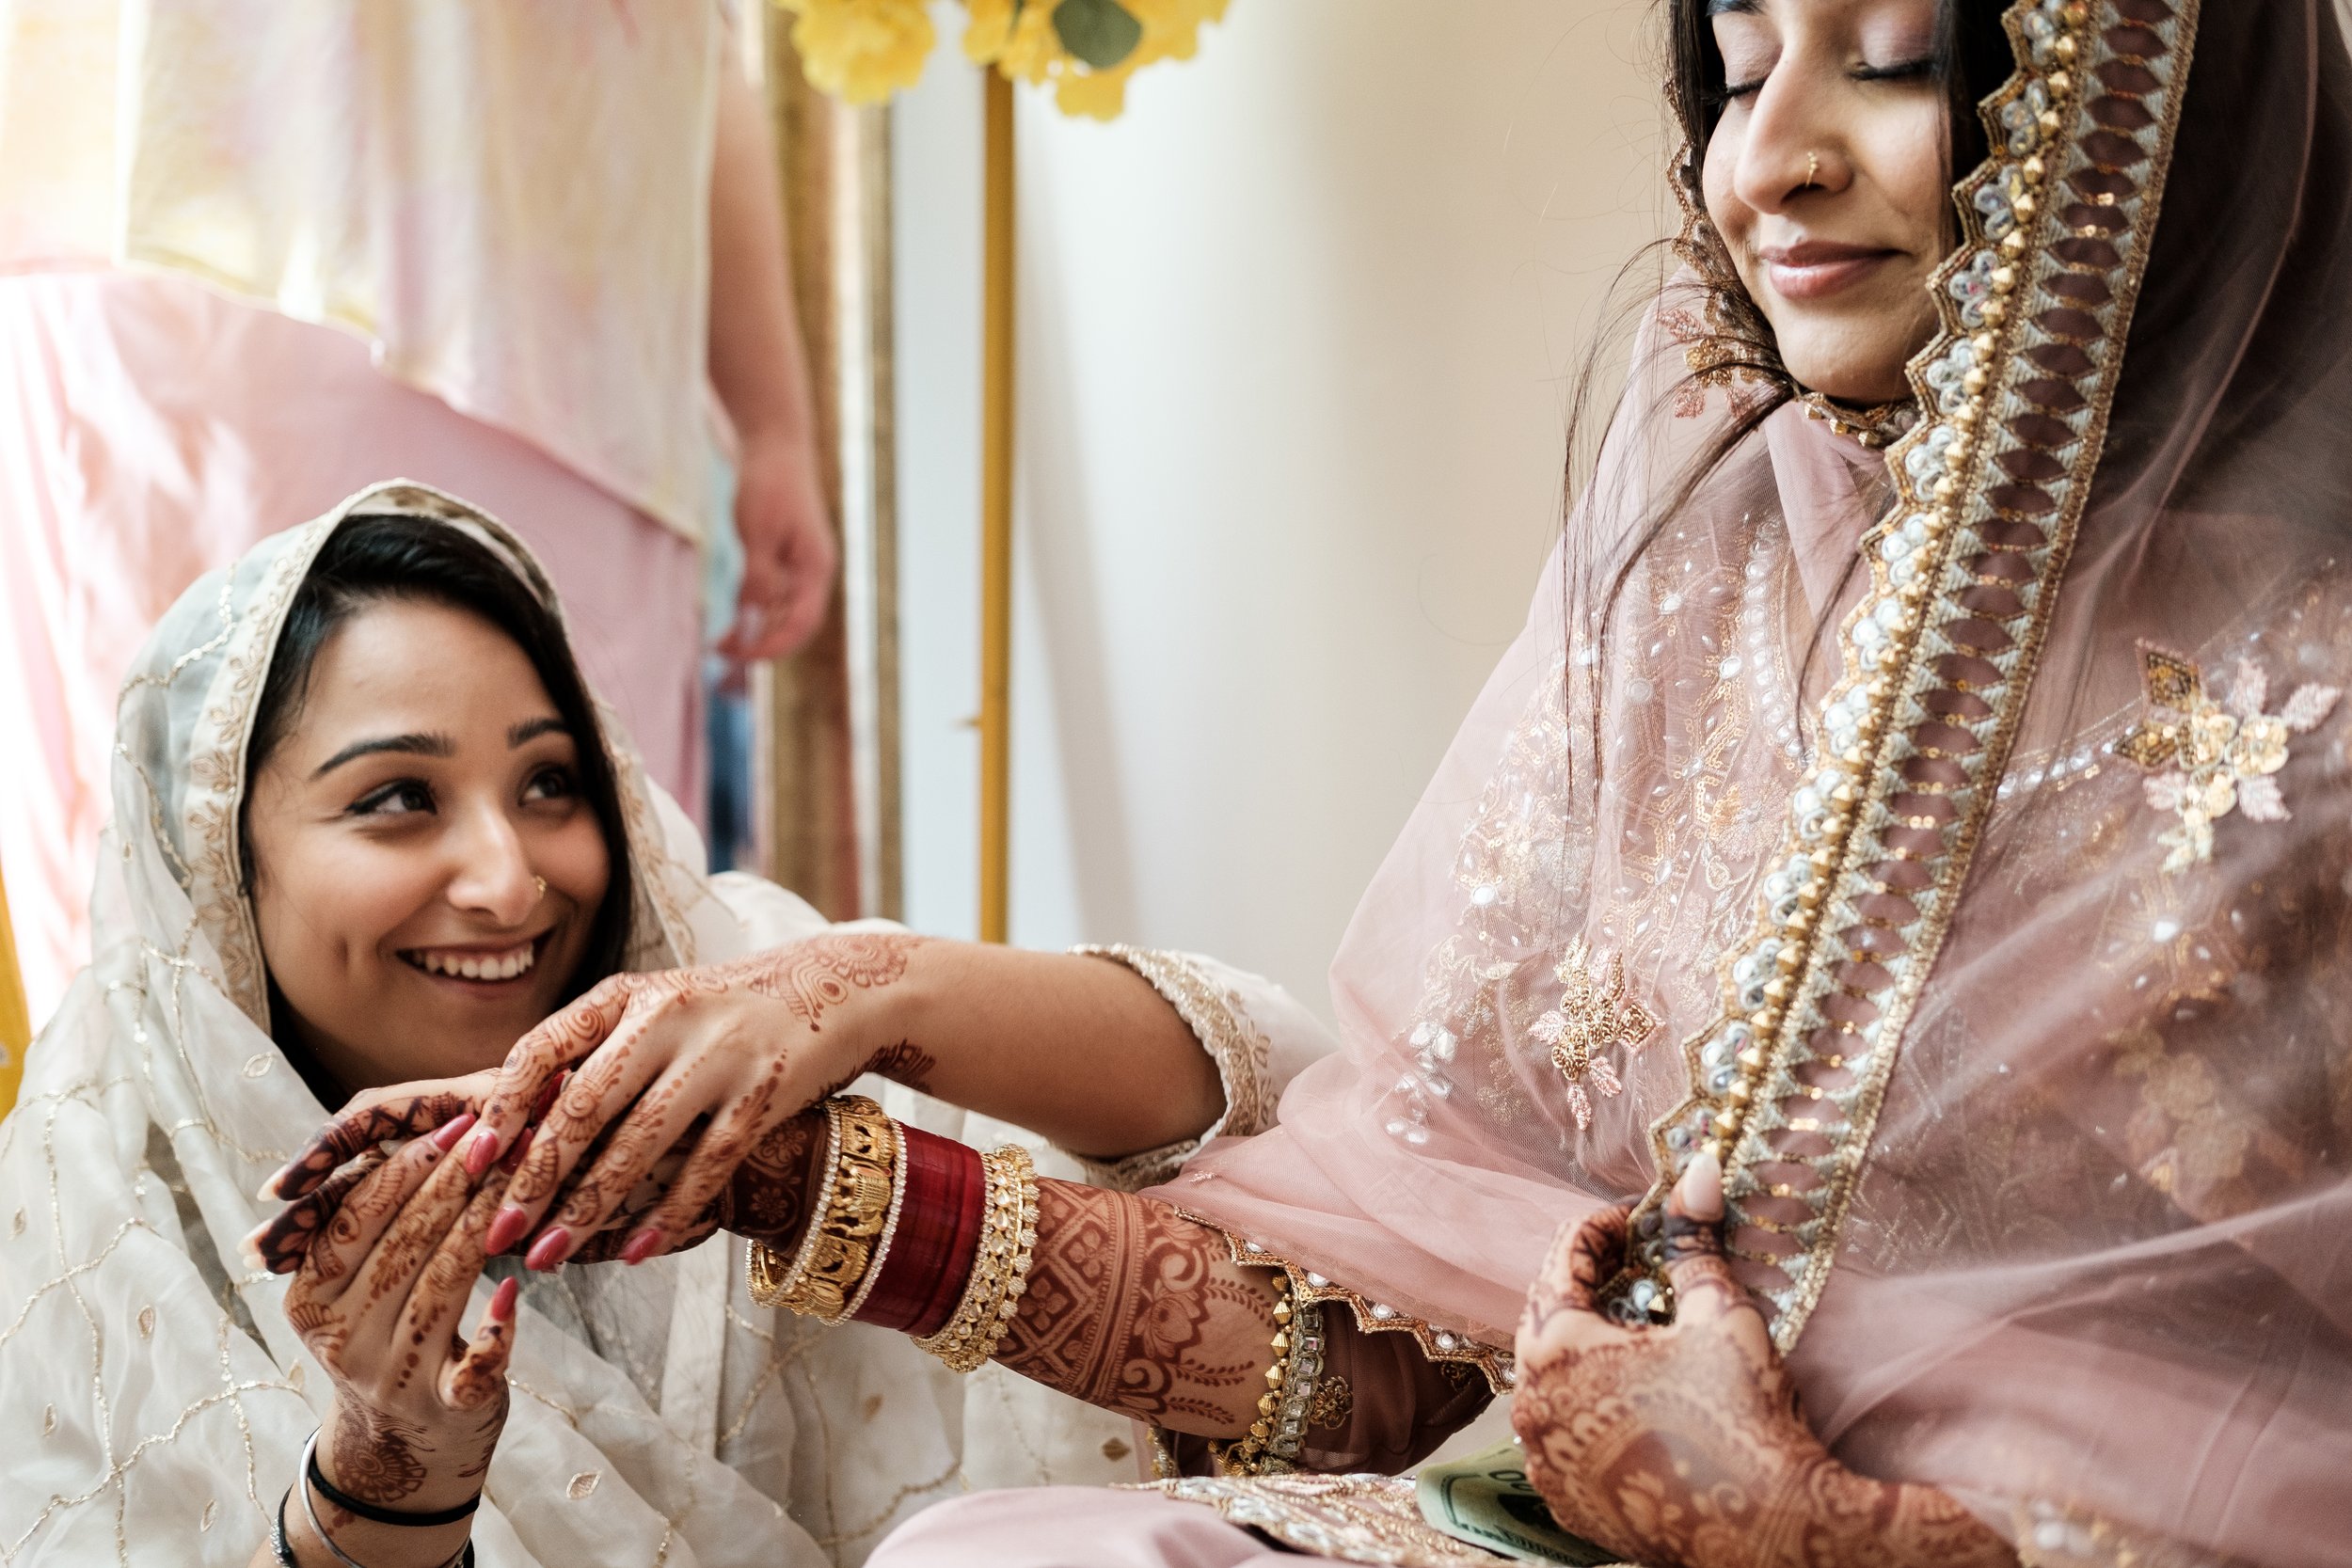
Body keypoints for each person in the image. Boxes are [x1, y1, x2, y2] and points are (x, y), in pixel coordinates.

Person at [278, 0, 2352, 1562]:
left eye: (1887, 58)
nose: (1766, 159)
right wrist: (765, 1171)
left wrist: (1819, 1527)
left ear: (2140, 99)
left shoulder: (2316, 702)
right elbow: (1409, 1356)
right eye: (1731, 62)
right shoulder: (1720, 566)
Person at [0, 481, 1330, 1566]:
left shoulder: (733, 977)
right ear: (218, 870)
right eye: (398, 796)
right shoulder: (96, 1203)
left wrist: (882, 989)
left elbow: (1293, 1122)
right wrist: (389, 1479)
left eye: (550, 781)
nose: (511, 877)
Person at [0, 0, 834, 1027]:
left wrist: (774, 427)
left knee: (585, 916)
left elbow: (700, 54)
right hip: (180, 259)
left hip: (560, 297)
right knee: (173, 924)